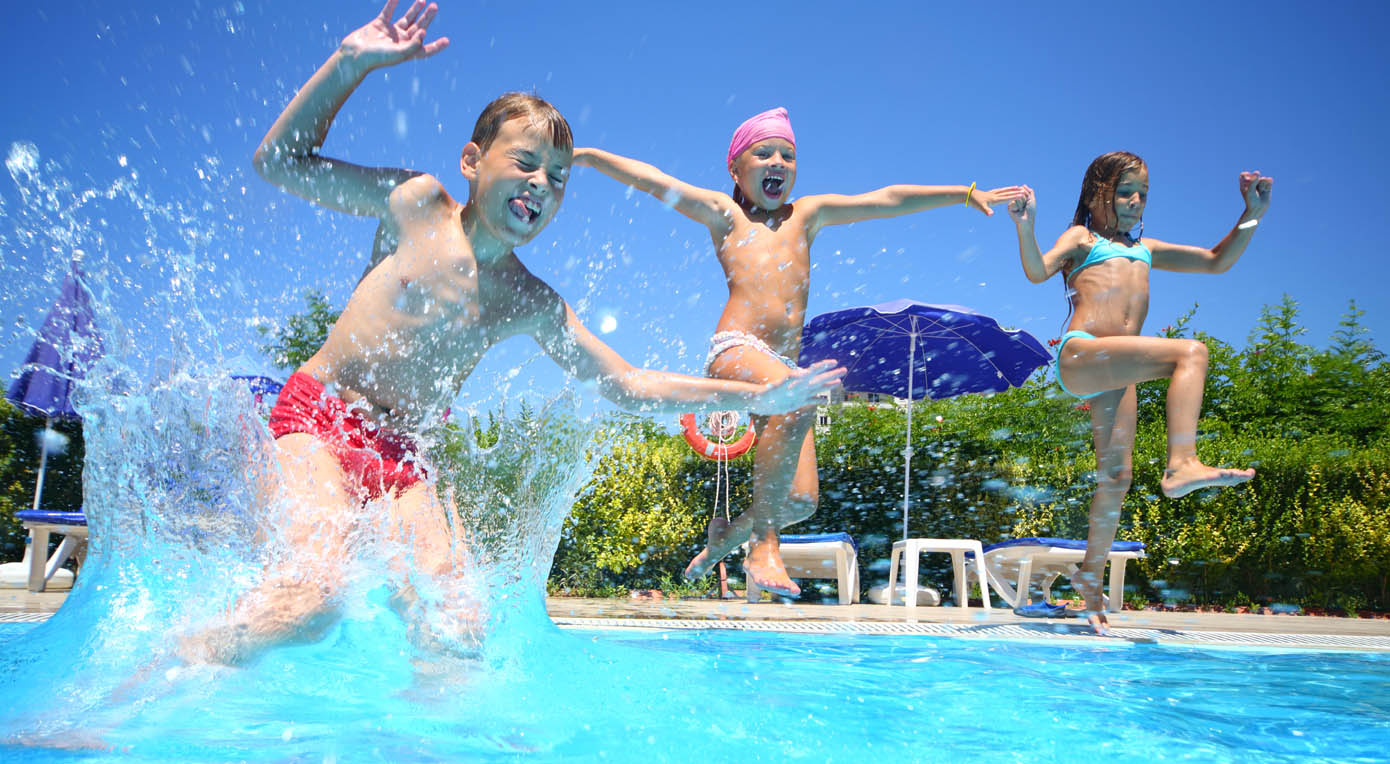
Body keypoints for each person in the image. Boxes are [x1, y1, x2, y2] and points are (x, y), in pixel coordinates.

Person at [182, 1, 845, 664]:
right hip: (320, 420)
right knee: (311, 601)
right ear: (472, 160)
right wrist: (351, 64)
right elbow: (280, 161)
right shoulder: (416, 205)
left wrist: (754, 398)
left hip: (405, 458)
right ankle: (168, 670)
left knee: (456, 630)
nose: (541, 185)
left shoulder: (530, 300)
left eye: (557, 178)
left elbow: (630, 385)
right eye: (525, 163)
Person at [574, 108, 1023, 598]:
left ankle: (728, 534)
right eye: (763, 152)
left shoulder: (806, 216)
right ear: (735, 169)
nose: (778, 162)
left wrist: (962, 194)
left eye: (788, 154)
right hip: (737, 349)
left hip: (782, 368)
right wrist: (592, 157)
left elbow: (885, 200)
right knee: (795, 398)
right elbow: (655, 181)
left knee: (802, 499)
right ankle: (763, 544)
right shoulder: (725, 216)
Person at [1008, 151, 1272, 634]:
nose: (1135, 200)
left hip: (1116, 372)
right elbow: (1035, 270)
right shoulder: (1081, 239)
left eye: (1143, 193)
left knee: (1117, 477)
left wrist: (1251, 215)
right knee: (1190, 352)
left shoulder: (1146, 248)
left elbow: (1216, 262)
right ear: (1096, 195)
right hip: (1084, 353)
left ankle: (1089, 577)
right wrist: (1026, 226)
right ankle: (1182, 463)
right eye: (1124, 190)